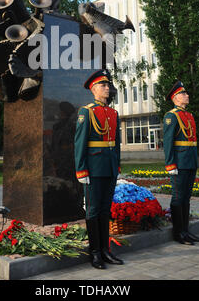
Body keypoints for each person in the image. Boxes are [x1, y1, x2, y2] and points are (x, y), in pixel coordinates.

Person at [74, 69, 123, 269]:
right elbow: (80, 143)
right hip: (93, 168)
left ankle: (105, 250)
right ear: (94, 89)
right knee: (93, 211)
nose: (107, 88)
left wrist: (117, 164)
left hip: (109, 167)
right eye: (103, 85)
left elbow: (116, 143)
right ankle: (94, 253)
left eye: (107, 85)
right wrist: (81, 170)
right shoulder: (86, 112)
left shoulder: (113, 113)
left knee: (105, 209)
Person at [163, 80, 199, 245]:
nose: (187, 95)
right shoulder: (171, 116)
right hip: (179, 162)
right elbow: (168, 142)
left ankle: (186, 231)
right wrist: (170, 164)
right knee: (178, 197)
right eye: (183, 93)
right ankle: (178, 233)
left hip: (190, 161)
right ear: (175, 97)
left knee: (186, 198)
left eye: (186, 93)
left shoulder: (189, 115)